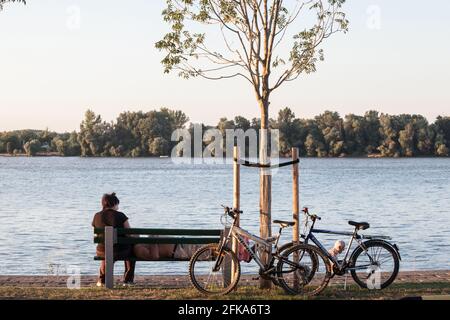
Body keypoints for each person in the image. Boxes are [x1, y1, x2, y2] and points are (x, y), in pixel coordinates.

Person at [92, 193, 135, 286]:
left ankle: (102, 280)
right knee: (132, 251)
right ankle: (128, 281)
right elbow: (129, 233)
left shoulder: (96, 216)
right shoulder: (121, 215)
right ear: (114, 203)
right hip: (120, 251)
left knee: (106, 251)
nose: (118, 207)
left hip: (101, 251)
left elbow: (96, 235)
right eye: (117, 204)